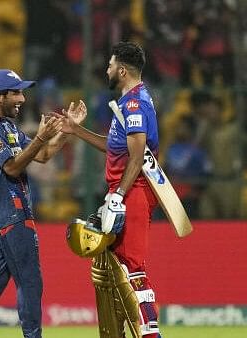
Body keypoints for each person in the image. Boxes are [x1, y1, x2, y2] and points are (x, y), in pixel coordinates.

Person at [0, 69, 82, 338]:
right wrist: (39, 137)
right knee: (30, 282)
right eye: (16, 93)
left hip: (11, 214)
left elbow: (44, 154)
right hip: (10, 213)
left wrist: (68, 131)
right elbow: (12, 168)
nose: (22, 99)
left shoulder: (8, 127)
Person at [65, 41, 162, 337]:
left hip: (133, 192)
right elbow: (115, 148)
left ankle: (150, 333)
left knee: (132, 268)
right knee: (114, 269)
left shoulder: (134, 104)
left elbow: (137, 156)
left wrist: (118, 197)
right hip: (125, 191)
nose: (106, 71)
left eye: (109, 66)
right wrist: (76, 130)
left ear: (121, 70)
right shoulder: (129, 101)